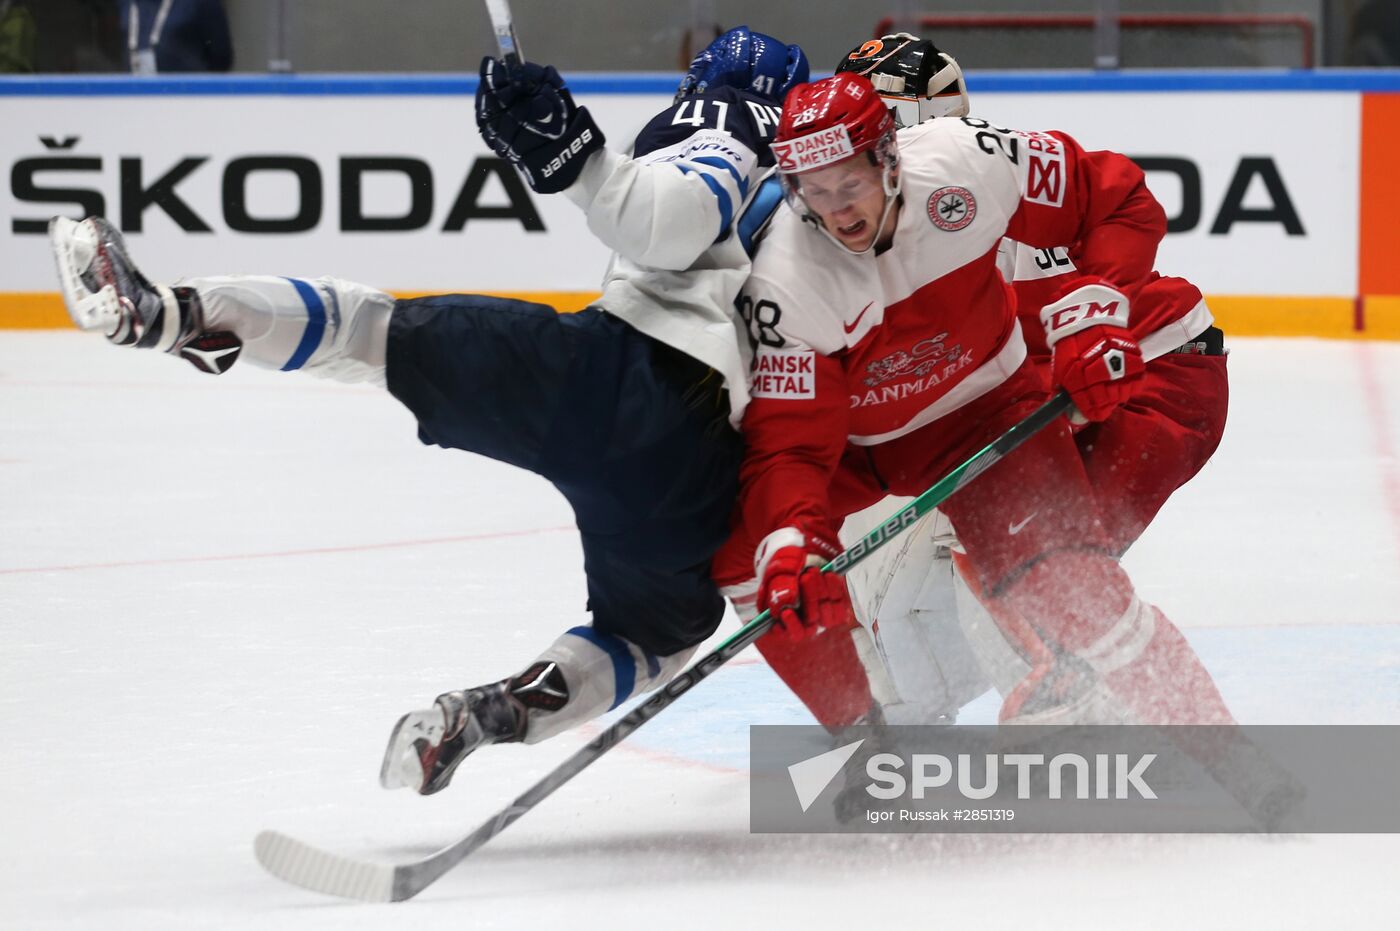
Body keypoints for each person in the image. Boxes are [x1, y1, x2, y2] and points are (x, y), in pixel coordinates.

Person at [48, 27, 808, 795]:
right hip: (704, 466)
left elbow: (666, 223)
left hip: (624, 374)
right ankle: (493, 710)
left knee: (369, 330)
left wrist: (581, 161)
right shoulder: (838, 189)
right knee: (651, 635)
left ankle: (171, 314)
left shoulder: (732, 115)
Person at [711, 71, 1236, 732]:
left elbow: (1112, 216)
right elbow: (794, 437)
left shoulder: (974, 168)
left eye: (851, 180)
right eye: (817, 189)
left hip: (1150, 369)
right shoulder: (790, 276)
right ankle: (874, 732)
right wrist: (791, 541)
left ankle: (1067, 684)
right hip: (991, 408)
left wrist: (1097, 314)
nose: (838, 209)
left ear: (891, 153)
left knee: (1035, 568)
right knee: (797, 550)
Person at [118, 0, 231, 74]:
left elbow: (221, 56)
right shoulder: (128, 3)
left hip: (186, 99)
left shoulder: (200, 3)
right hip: (135, 98)